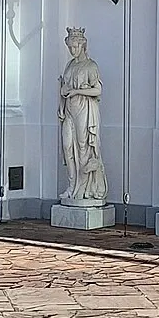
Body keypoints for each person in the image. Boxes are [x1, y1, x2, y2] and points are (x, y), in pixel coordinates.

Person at [58, 26, 107, 205]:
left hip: (85, 111)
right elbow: (65, 86)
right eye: (70, 47)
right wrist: (63, 92)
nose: (72, 50)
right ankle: (72, 186)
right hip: (70, 111)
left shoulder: (90, 66)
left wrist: (76, 91)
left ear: (82, 46)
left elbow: (98, 90)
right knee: (67, 147)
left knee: (83, 146)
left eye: (75, 47)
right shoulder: (70, 65)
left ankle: (83, 187)